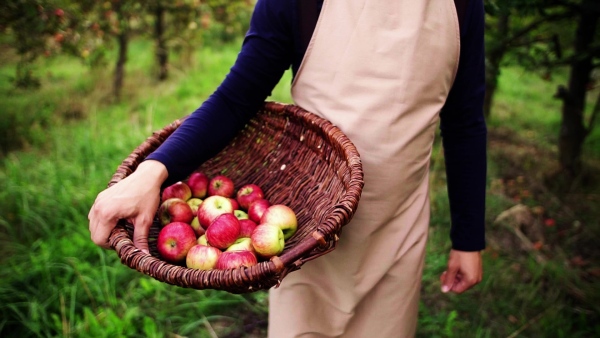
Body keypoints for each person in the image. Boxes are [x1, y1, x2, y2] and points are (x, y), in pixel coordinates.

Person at [88, 0, 487, 337]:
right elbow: (236, 98)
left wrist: (467, 239)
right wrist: (152, 171)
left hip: (398, 228)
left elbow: (465, 121)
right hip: (306, 234)